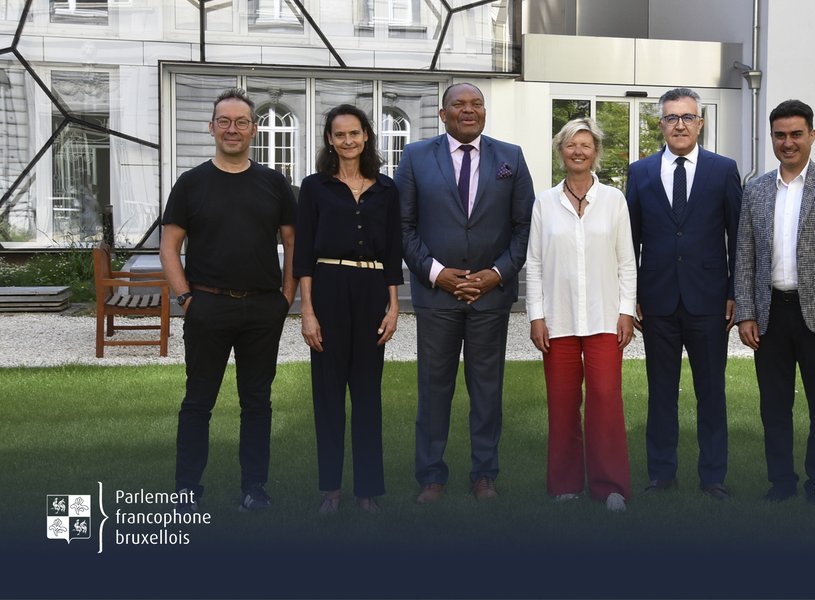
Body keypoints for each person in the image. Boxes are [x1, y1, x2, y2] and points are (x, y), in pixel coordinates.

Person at [396, 82, 535, 503]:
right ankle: (432, 477)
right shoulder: (417, 157)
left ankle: (484, 475)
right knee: (433, 389)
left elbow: (524, 226)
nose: (469, 110)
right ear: (443, 114)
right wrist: (437, 274)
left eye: (476, 104)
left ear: (485, 113)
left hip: (490, 297)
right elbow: (403, 226)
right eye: (459, 104)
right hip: (436, 296)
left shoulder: (510, 157)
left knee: (487, 391)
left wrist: (497, 273)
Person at [161, 88, 296, 512]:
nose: (232, 129)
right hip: (207, 306)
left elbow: (293, 244)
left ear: (254, 129)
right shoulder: (191, 183)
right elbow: (169, 247)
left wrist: (285, 298)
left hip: (262, 308)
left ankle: (254, 488)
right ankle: (186, 487)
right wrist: (185, 297)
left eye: (241, 122)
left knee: (257, 402)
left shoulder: (274, 183)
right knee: (198, 401)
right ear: (212, 127)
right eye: (225, 121)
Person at [734, 100, 815, 505]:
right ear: (772, 138)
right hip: (770, 314)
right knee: (774, 406)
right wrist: (746, 313)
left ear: (811, 135)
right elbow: (745, 255)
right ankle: (781, 482)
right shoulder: (754, 190)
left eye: (796, 134)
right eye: (780, 135)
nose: (788, 143)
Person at [625, 87, 741, 500]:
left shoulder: (723, 169)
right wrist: (631, 294)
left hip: (709, 301)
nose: (679, 124)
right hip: (657, 301)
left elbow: (738, 239)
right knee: (661, 392)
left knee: (711, 391)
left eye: (687, 117)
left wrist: (734, 293)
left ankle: (713, 477)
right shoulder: (639, 173)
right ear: (660, 124)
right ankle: (662, 474)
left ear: (701, 123)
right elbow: (629, 241)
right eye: (671, 118)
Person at [294, 104, 403, 514]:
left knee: (367, 394)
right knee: (328, 394)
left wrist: (393, 307)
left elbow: (393, 253)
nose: (348, 140)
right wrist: (307, 310)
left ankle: (367, 491)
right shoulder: (315, 187)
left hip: (373, 290)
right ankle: (331, 491)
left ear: (366, 136)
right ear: (329, 139)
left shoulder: (387, 189)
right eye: (340, 134)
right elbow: (302, 252)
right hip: (328, 290)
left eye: (355, 133)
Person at [527, 118, 636, 512]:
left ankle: (611, 488)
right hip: (558, 322)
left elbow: (627, 262)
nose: (578, 151)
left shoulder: (614, 200)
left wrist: (626, 311)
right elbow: (535, 264)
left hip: (606, 319)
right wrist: (537, 316)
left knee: (606, 400)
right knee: (562, 401)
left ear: (596, 153)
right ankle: (565, 484)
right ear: (560, 152)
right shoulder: (543, 202)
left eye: (586, 145)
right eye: (571, 145)